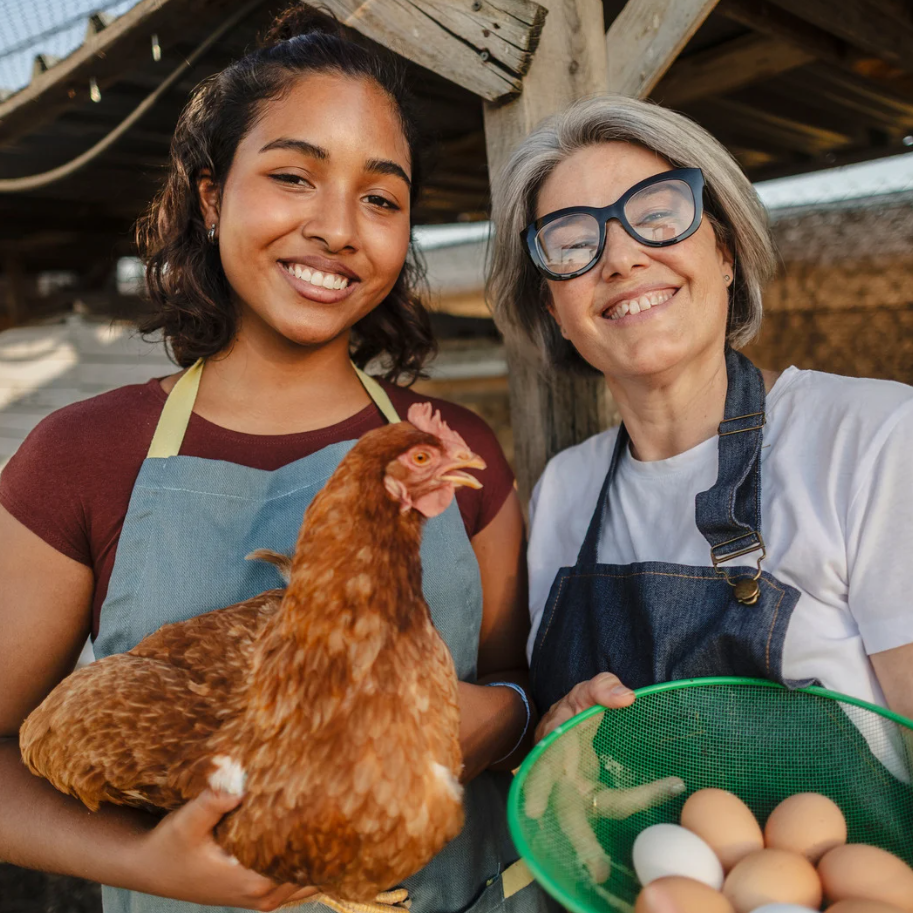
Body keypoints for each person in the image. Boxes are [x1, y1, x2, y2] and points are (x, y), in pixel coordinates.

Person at [0, 9, 551, 913]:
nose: (338, 228)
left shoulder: (449, 449)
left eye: (380, 198)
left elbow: (519, 689)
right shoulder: (83, 456)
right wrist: (144, 865)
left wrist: (503, 719)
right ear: (211, 198)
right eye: (293, 176)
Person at [488, 95, 913, 749]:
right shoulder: (561, 493)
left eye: (657, 216)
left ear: (725, 250)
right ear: (552, 307)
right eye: (572, 242)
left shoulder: (872, 437)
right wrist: (558, 734)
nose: (621, 259)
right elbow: (565, 754)